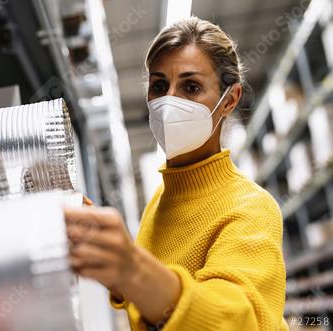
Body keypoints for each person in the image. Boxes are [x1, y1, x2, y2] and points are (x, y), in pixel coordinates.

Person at [65, 17, 288, 331]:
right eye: (159, 86)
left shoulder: (251, 208)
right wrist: (111, 265)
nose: (170, 102)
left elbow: (237, 320)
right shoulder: (160, 200)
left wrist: (133, 270)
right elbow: (157, 306)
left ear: (231, 99)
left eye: (191, 87)